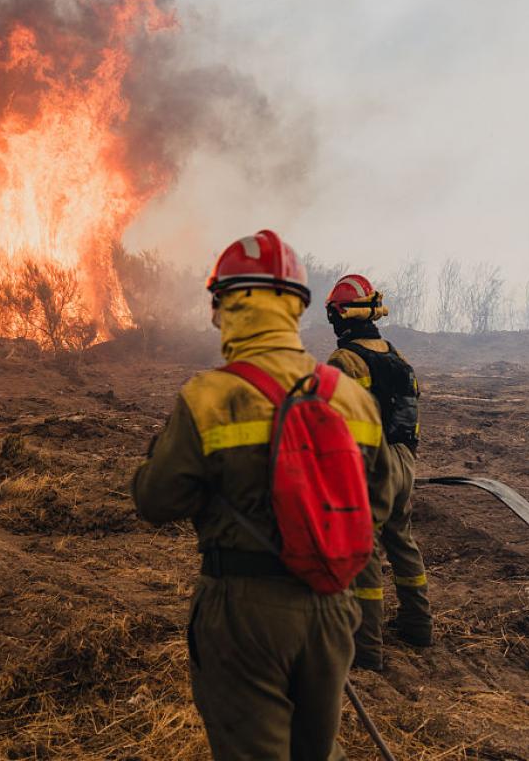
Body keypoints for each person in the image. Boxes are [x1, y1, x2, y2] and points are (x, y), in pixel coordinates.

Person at [131, 230, 390, 761]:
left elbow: (155, 502)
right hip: (331, 607)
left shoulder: (210, 397)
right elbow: (379, 502)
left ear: (226, 305)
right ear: (297, 306)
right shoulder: (349, 397)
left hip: (243, 607)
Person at [325, 274, 432, 671]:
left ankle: (365, 647)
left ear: (341, 317)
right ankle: (418, 626)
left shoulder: (344, 361)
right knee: (401, 540)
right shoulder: (398, 358)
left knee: (364, 549)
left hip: (370, 466)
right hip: (406, 461)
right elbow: (409, 419)